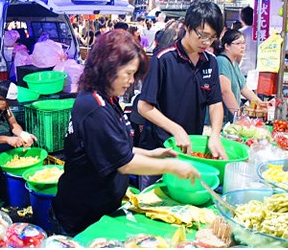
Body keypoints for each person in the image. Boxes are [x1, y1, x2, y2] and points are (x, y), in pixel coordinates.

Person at [52, 29, 201, 236]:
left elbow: (115, 150)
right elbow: (124, 164)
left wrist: (151, 154)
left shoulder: (107, 99)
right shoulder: (95, 107)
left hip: (102, 211)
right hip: (82, 216)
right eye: (128, 73)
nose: (132, 81)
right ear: (108, 67)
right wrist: (171, 166)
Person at [135, 1, 227, 189]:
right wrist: (176, 129)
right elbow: (143, 106)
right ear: (186, 27)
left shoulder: (211, 62)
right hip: (160, 150)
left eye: (212, 38)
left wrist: (215, 135)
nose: (206, 43)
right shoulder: (164, 59)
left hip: (190, 150)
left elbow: (216, 103)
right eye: (202, 36)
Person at [216, 29, 265, 124]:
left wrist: (261, 104)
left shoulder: (234, 63)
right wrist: (239, 116)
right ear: (227, 46)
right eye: (238, 43)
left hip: (230, 119)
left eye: (243, 43)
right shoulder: (222, 61)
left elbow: (244, 89)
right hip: (221, 120)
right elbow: (225, 91)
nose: (242, 46)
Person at [238, 6, 256, 76]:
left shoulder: (240, 32)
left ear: (242, 18)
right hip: (257, 68)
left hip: (243, 67)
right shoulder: (260, 32)